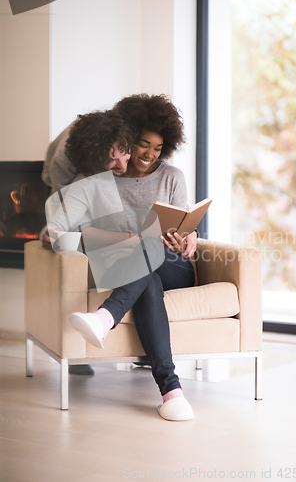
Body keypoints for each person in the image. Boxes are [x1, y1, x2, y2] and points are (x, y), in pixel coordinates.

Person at [47, 94, 197, 420]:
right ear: (126, 139)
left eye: (158, 148)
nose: (149, 154)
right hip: (137, 271)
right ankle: (172, 391)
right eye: (143, 144)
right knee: (147, 277)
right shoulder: (94, 183)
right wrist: (55, 234)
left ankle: (104, 319)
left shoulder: (173, 177)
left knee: (150, 246)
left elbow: (185, 225)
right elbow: (57, 226)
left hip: (175, 266)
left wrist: (190, 237)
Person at [41, 110, 134, 375]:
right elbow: (62, 212)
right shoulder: (67, 167)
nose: (122, 166)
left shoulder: (130, 139)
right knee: (72, 242)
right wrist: (54, 232)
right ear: (95, 161)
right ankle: (76, 353)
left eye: (124, 153)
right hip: (65, 182)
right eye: (111, 160)